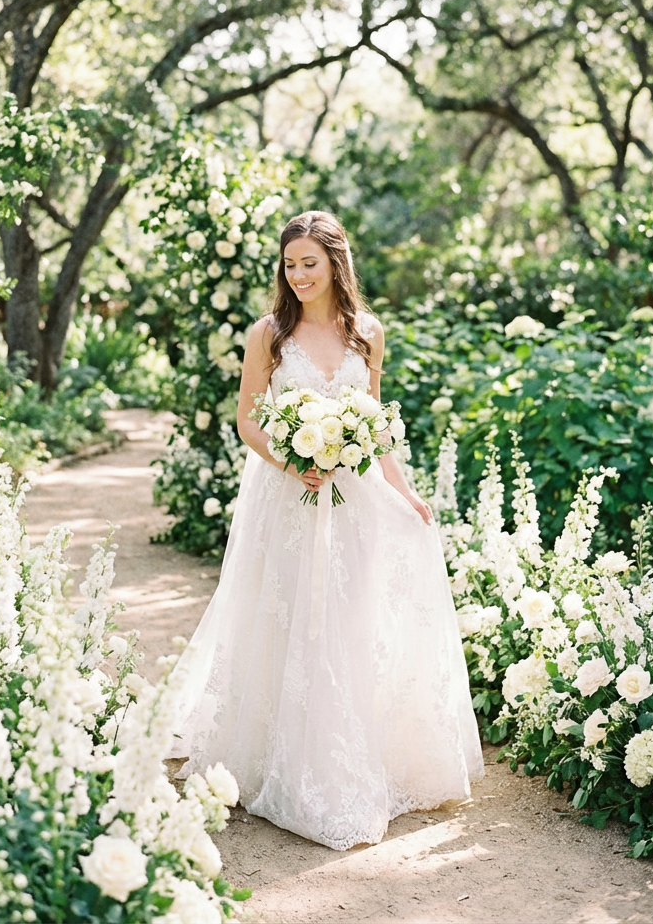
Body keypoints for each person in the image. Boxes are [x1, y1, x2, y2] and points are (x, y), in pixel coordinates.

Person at [171, 210, 483, 850]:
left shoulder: (367, 332)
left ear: (336, 263)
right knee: (290, 617)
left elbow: (377, 423)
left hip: (354, 501)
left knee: (350, 619)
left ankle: (354, 756)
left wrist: (405, 492)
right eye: (289, 264)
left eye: (309, 263)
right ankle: (277, 759)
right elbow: (247, 420)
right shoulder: (269, 334)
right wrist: (292, 462)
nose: (298, 275)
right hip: (286, 499)